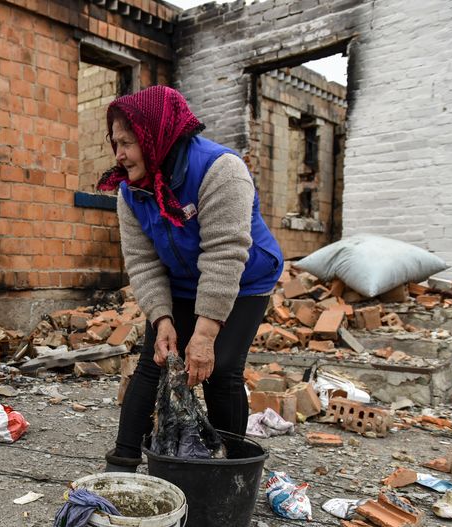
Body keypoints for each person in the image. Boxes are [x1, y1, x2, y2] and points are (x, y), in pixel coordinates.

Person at [96, 86, 284, 472]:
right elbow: (143, 261)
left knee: (221, 369)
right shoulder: (130, 190)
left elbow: (225, 254)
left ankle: (230, 473)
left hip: (243, 279)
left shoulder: (220, 170)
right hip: (181, 280)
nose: (119, 154)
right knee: (155, 361)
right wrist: (161, 318)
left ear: (155, 136)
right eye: (115, 143)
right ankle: (121, 466)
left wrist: (205, 335)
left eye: (128, 142)